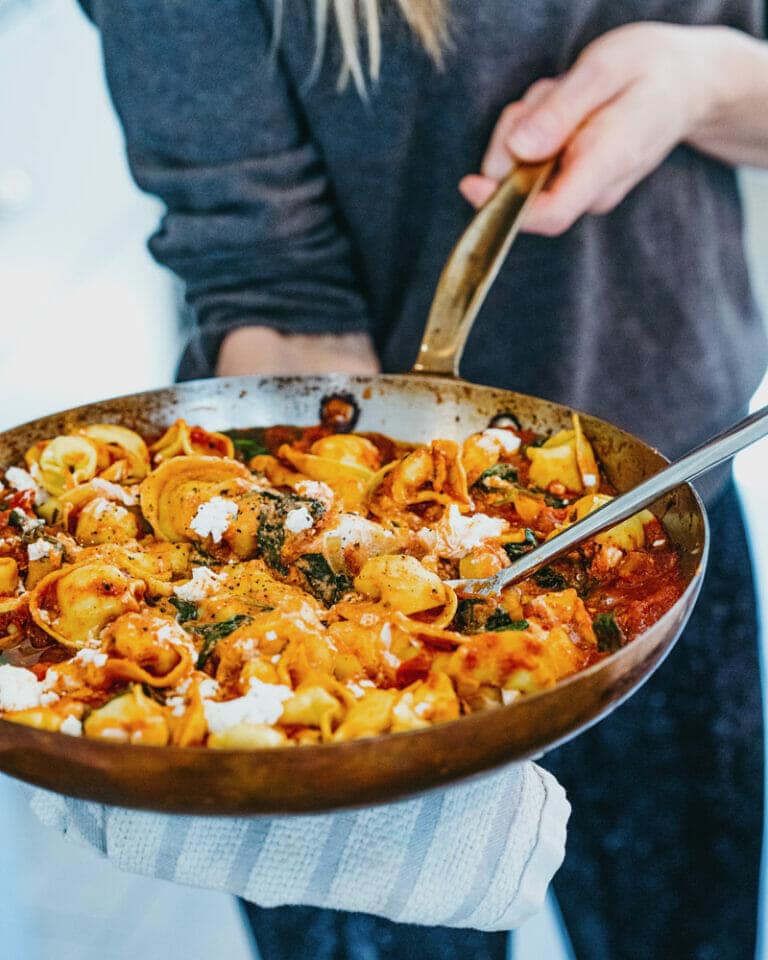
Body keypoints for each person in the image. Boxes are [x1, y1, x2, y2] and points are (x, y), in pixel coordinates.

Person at [76, 1, 768, 958]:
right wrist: (325, 570)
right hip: (310, 557)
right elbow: (269, 272)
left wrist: (710, 82)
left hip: (659, 527)